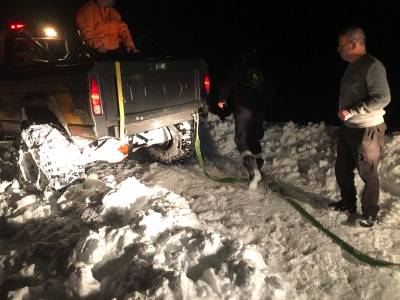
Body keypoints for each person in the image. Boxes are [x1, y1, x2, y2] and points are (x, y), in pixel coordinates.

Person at [329, 26, 391, 227]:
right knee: (342, 169)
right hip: (349, 128)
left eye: (341, 45)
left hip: (367, 130)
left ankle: (370, 212)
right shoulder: (354, 65)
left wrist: (352, 110)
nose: (338, 49)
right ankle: (348, 203)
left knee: (368, 173)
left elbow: (383, 97)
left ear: (354, 44)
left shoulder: (372, 65)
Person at [217, 48, 273, 190]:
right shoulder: (263, 72)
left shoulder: (239, 69)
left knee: (241, 140)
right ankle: (258, 167)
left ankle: (253, 171)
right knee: (254, 139)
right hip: (259, 111)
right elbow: (270, 91)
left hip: (244, 110)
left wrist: (222, 99)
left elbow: (228, 83)